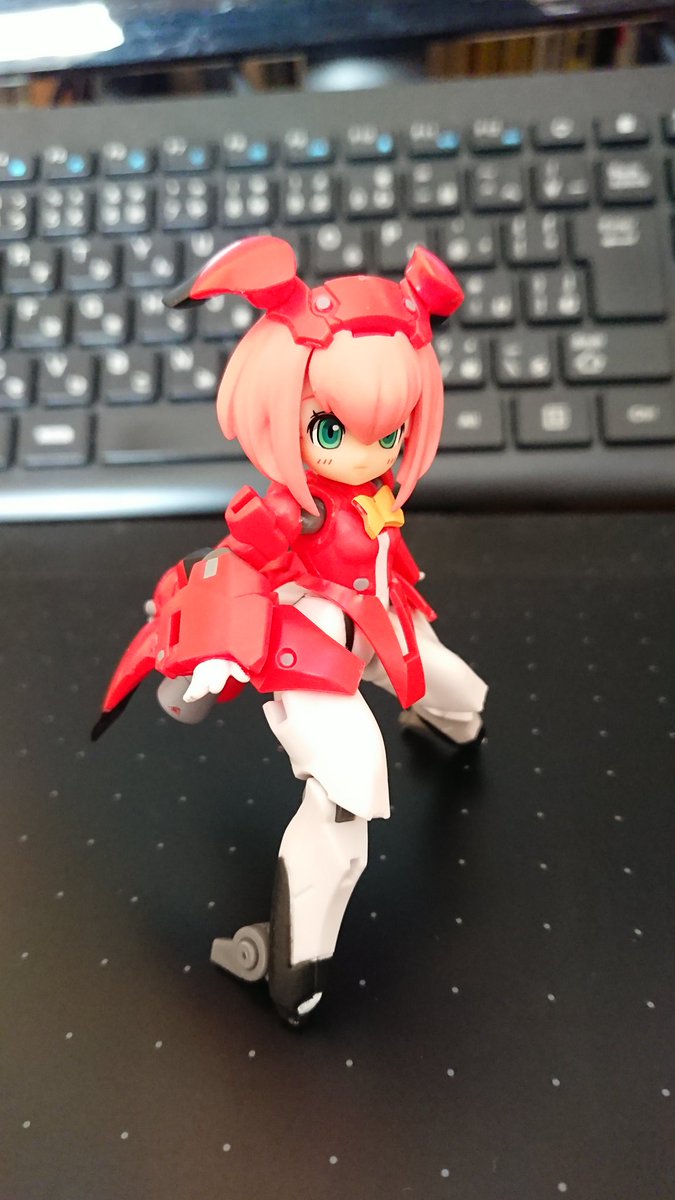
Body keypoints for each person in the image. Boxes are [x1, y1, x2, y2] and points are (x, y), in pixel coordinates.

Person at [95, 236, 487, 1026]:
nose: (367, 453)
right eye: (333, 432)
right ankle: (292, 960)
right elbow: (234, 564)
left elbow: (378, 548)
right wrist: (209, 652)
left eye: (390, 433)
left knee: (458, 691)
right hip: (310, 648)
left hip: (381, 619)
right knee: (347, 789)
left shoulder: (374, 488)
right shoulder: (288, 510)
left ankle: (449, 729)